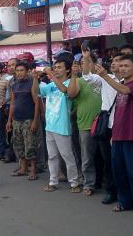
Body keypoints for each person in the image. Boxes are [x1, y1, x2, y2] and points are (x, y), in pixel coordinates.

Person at [95, 54, 133, 218]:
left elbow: (125, 90)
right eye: (120, 66)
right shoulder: (119, 84)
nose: (122, 68)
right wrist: (114, 134)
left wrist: (104, 75)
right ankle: (125, 201)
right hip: (118, 135)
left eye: (126, 66)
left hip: (132, 136)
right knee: (119, 172)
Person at [82, 50, 120, 205]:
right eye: (114, 61)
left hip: (124, 126)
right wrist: (85, 58)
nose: (115, 63)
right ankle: (111, 191)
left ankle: (125, 191)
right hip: (107, 126)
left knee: (122, 161)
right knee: (108, 160)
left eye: (121, 62)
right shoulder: (106, 78)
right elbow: (87, 76)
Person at [39, 58, 82, 193]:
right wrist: (35, 79)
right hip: (50, 125)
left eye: (59, 67)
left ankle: (74, 182)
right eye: (54, 67)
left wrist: (50, 74)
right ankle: (53, 181)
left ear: (67, 70)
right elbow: (36, 92)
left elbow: (65, 90)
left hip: (62, 126)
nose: (56, 69)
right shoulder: (50, 85)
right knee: (52, 156)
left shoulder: (71, 82)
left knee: (67, 155)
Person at [67, 57, 102, 196]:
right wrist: (74, 75)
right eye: (81, 63)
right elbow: (71, 94)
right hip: (85, 124)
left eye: (87, 62)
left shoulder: (103, 79)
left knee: (105, 157)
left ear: (95, 64)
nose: (84, 65)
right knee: (87, 157)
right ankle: (89, 183)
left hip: (104, 124)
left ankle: (105, 182)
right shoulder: (79, 80)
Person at [6, 61, 40, 181]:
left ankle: (33, 170)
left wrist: (35, 120)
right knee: (18, 145)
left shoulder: (31, 83)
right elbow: (12, 104)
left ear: (27, 72)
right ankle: (23, 169)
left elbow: (37, 103)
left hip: (28, 119)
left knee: (30, 145)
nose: (19, 73)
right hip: (16, 119)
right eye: (17, 71)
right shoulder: (14, 85)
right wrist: (9, 120)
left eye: (22, 70)